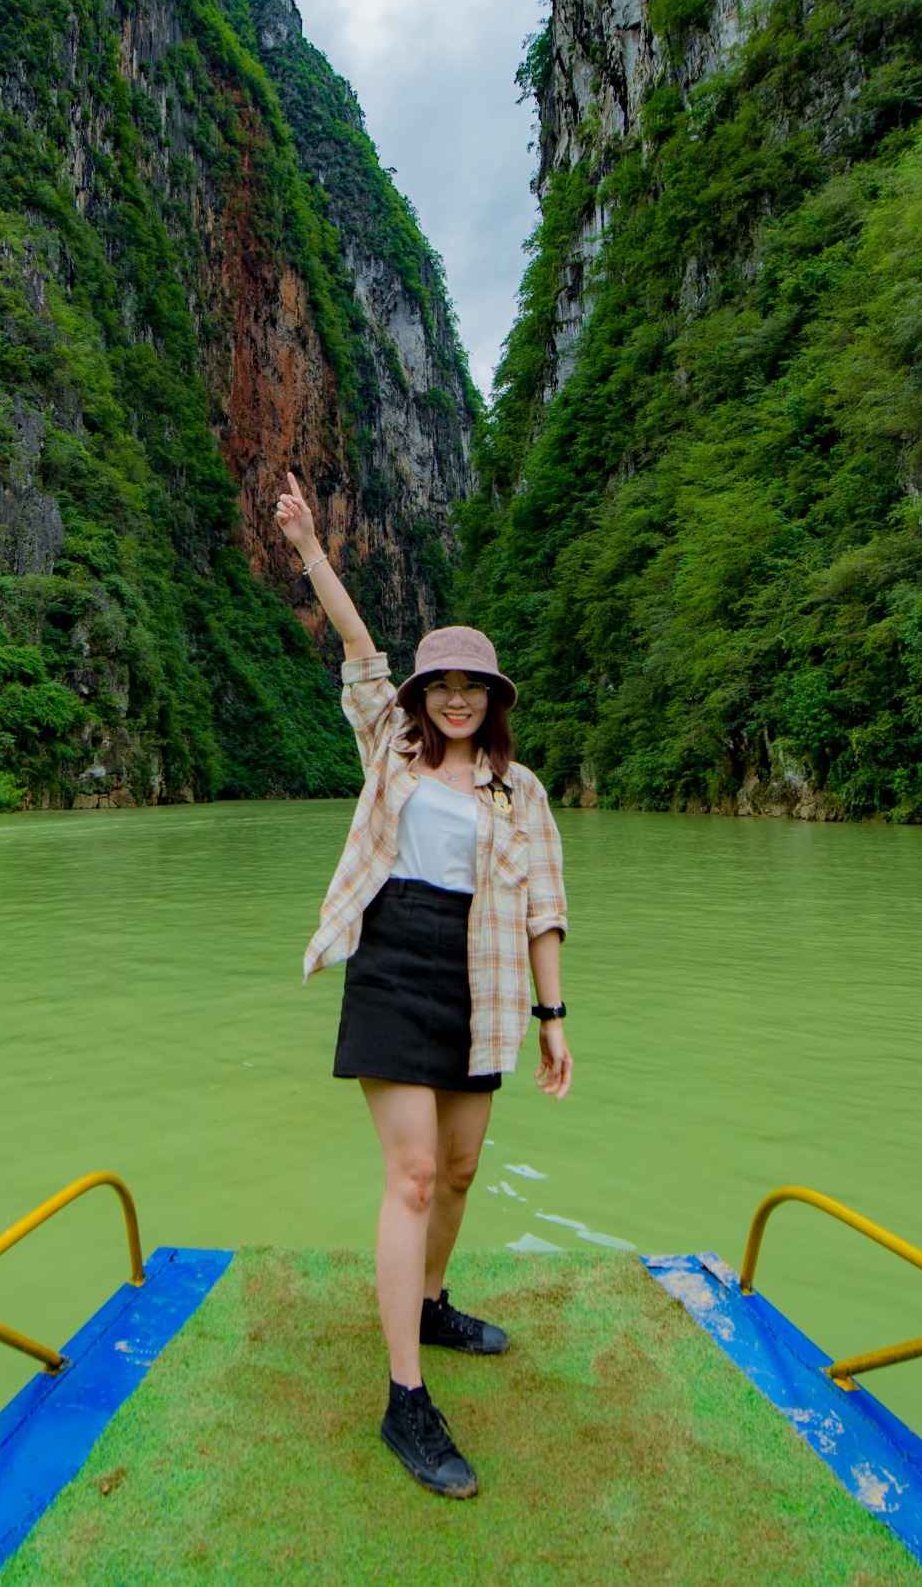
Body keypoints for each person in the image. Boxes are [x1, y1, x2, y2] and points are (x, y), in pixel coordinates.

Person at [273, 469, 570, 1502]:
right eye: (440, 681)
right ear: (421, 695)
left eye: (471, 685)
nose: (453, 696)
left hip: (481, 981)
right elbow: (359, 652)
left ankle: (434, 1300)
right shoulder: (390, 751)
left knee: (457, 1173)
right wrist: (310, 545)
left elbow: (541, 903)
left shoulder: (517, 791)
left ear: (491, 699)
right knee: (409, 1175)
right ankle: (405, 1397)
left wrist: (554, 1014)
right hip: (395, 960)